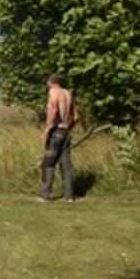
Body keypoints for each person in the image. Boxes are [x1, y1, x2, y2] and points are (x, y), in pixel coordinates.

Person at [38, 74, 81, 203]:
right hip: (66, 132)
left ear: (50, 82)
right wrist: (69, 127)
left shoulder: (53, 92)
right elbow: (77, 116)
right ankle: (69, 196)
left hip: (56, 131)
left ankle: (45, 195)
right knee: (66, 164)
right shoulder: (68, 93)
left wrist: (47, 129)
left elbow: (54, 110)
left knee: (48, 164)